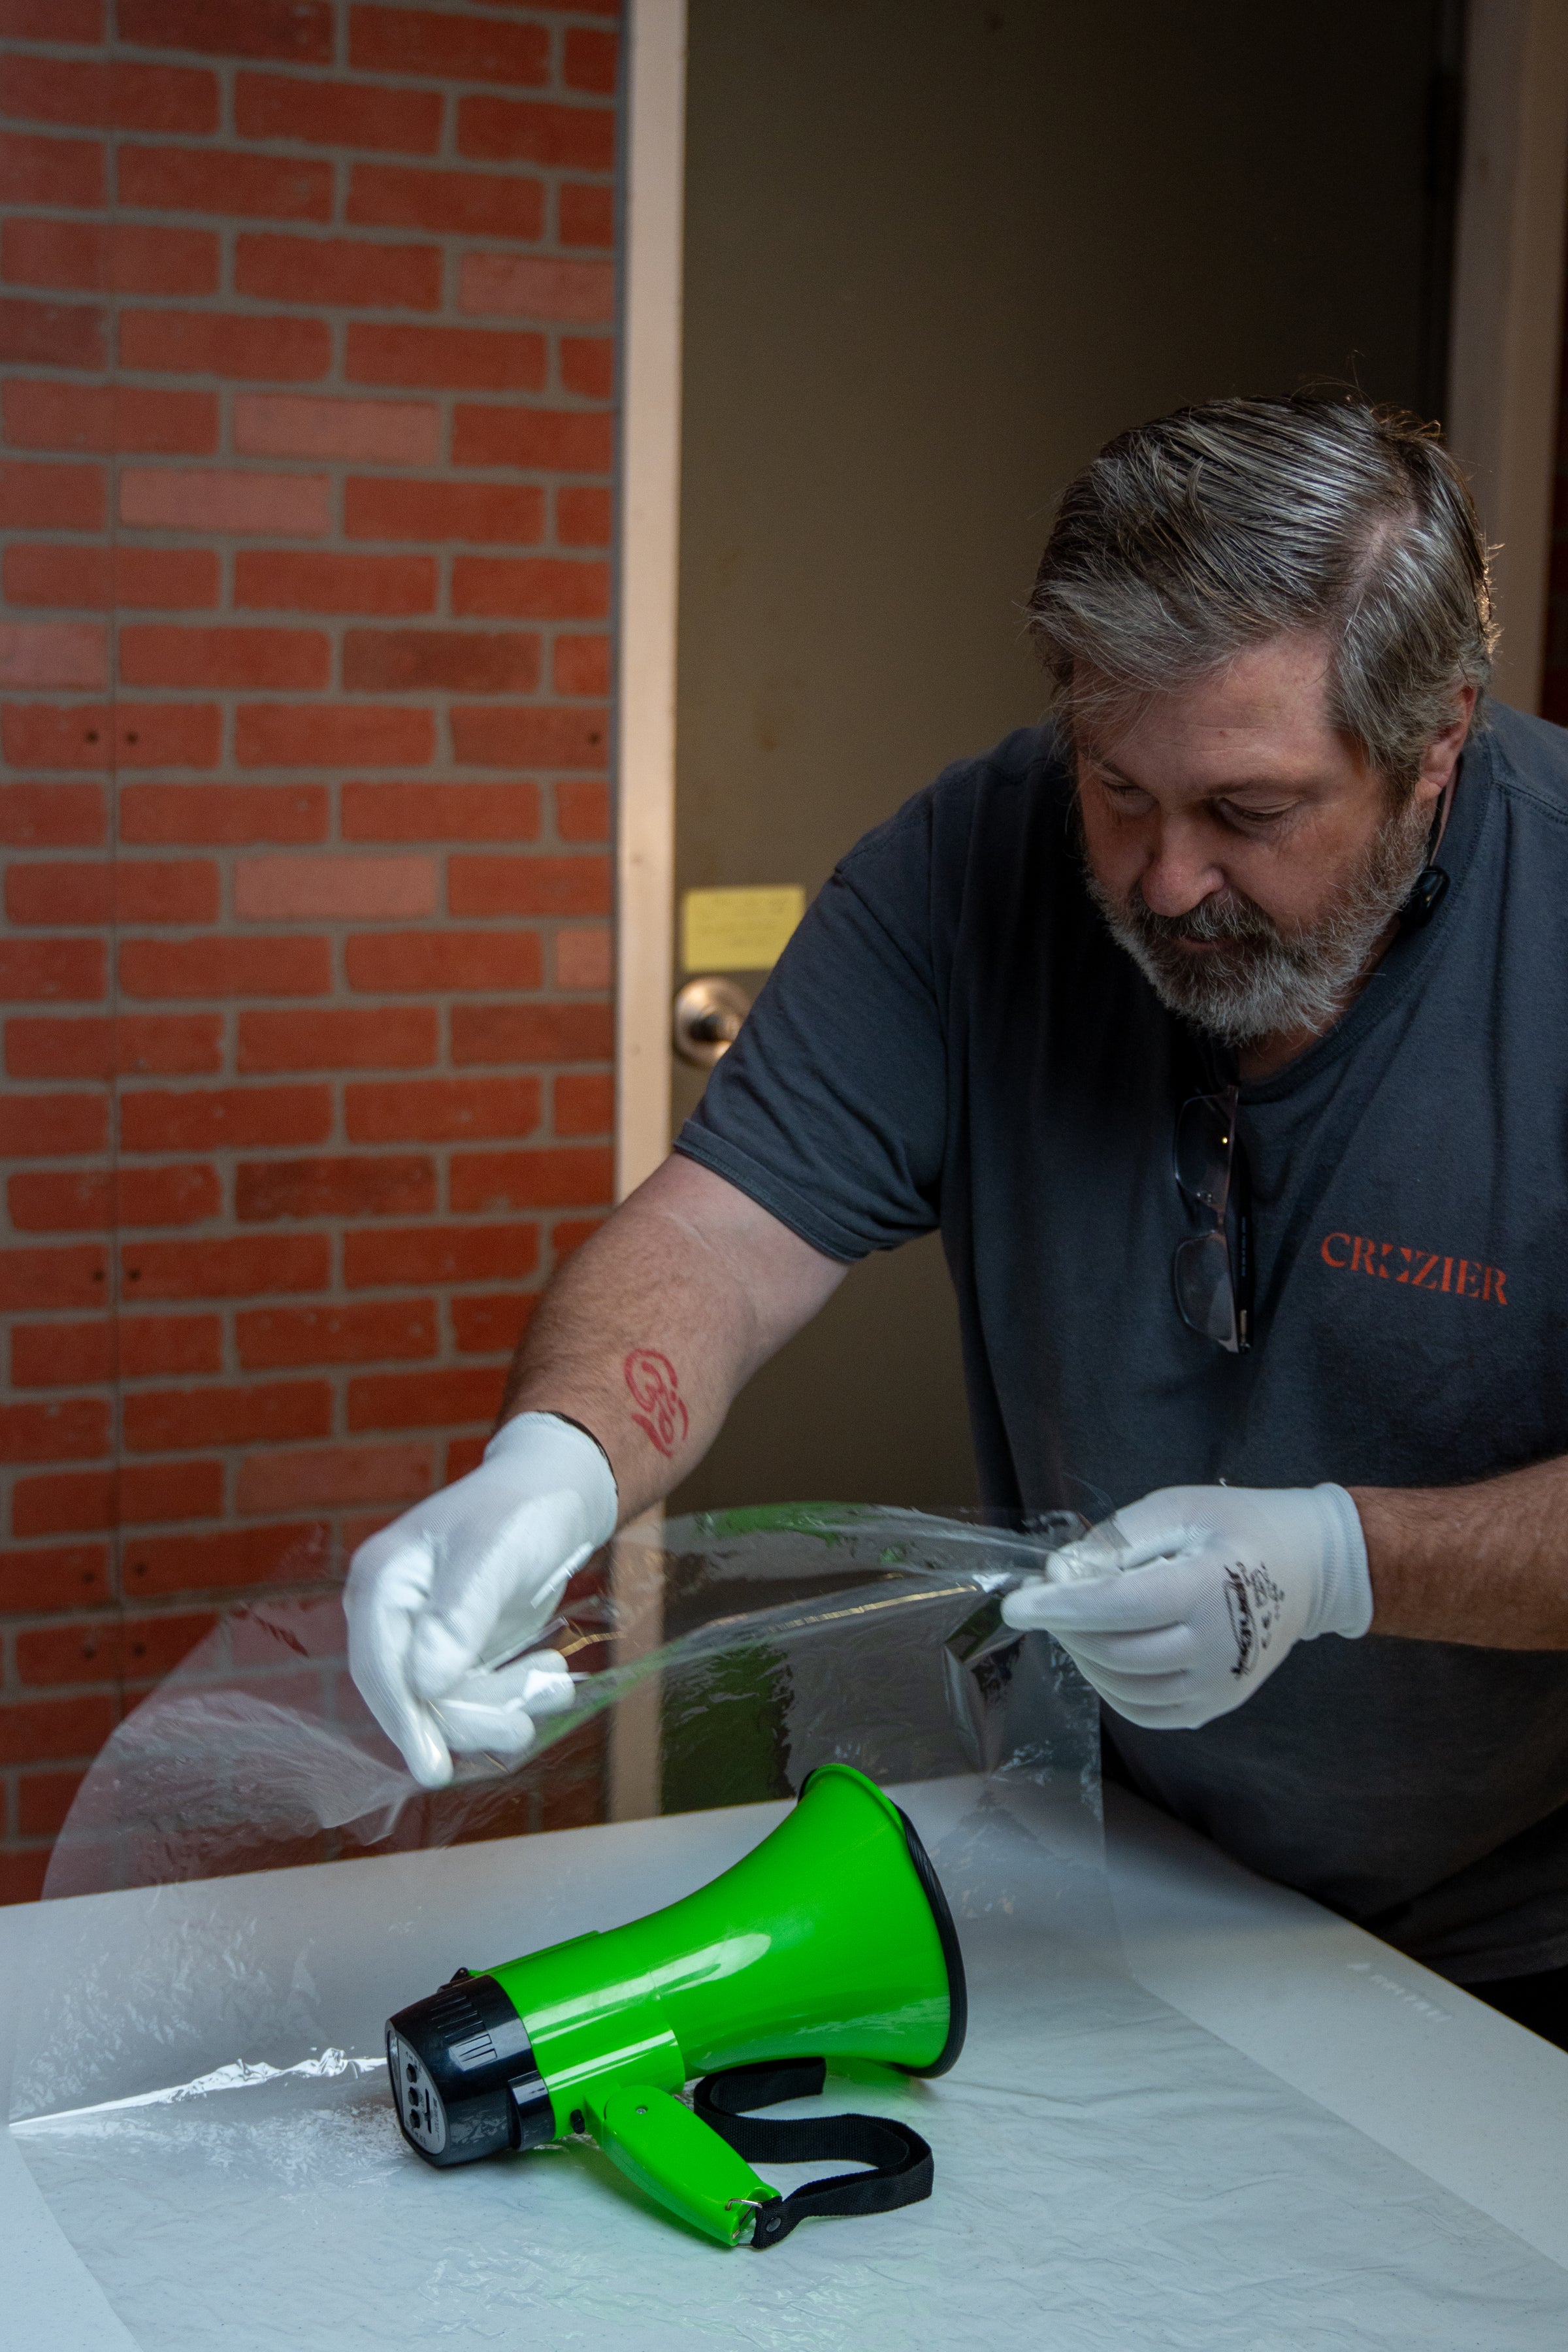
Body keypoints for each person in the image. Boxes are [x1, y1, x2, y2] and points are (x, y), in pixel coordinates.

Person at [348, 395, 1568, 2046]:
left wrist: (1340, 1561)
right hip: (1117, 1869)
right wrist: (553, 1464)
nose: (1163, 879)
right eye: (1118, 788)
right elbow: (715, 1240)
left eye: (1252, 815)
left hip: (1523, 1938)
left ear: (1437, 750)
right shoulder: (973, 858)